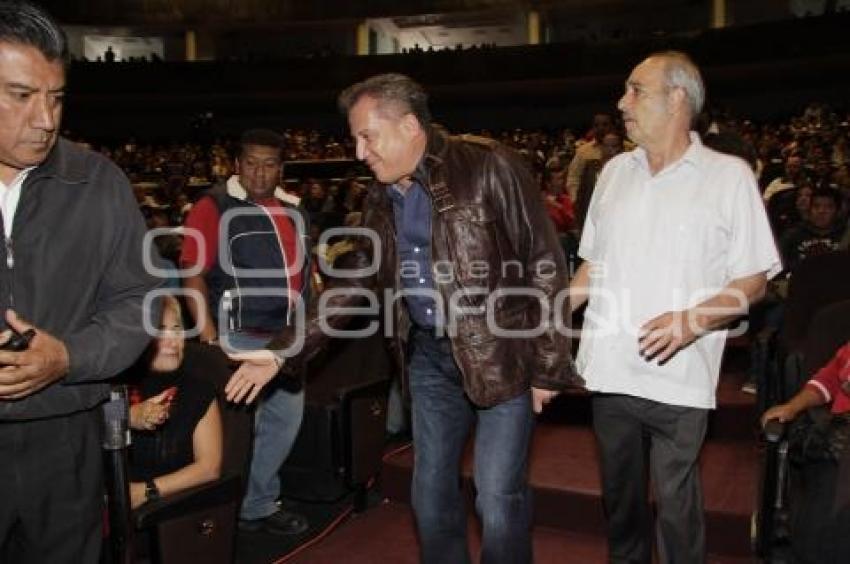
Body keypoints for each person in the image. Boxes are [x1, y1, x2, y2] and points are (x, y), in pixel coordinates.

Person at [226, 73, 576, 563]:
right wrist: (284, 349)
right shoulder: (380, 194)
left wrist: (548, 364)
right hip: (429, 359)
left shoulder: (489, 164)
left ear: (410, 126)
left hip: (502, 353)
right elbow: (353, 282)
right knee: (429, 496)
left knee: (498, 498)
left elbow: (544, 261)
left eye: (367, 136)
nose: (358, 150)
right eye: (355, 138)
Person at [569, 51, 781, 563]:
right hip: (609, 370)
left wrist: (692, 321)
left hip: (679, 374)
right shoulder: (614, 172)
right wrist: (550, 312)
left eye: (635, 89)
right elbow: (591, 267)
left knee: (677, 511)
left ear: (678, 98)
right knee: (621, 510)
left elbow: (753, 281)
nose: (622, 103)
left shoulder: (727, 176)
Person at [0, 2, 161, 562]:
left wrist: (68, 356)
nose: (46, 118)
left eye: (57, 97)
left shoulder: (98, 183)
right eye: (22, 95)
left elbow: (140, 300)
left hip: (67, 438)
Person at [180, 129, 311, 535]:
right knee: (239, 430)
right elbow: (193, 274)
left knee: (283, 424)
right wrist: (208, 337)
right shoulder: (214, 206)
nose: (259, 172)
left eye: (269, 164)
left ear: (281, 169)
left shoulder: (295, 211)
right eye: (251, 162)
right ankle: (226, 511)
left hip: (287, 338)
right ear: (236, 165)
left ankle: (256, 504)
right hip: (238, 336)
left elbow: (306, 276)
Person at [127, 296, 222, 508]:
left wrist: (146, 491)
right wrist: (130, 416)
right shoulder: (117, 387)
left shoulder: (197, 390)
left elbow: (209, 467)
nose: (173, 341)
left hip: (171, 510)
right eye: (160, 331)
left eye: (177, 330)